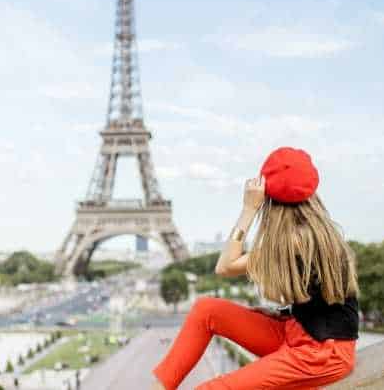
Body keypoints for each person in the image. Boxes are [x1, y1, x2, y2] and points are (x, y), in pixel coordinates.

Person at [151, 146, 359, 389]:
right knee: (206, 310)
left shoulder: (293, 242)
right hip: (299, 332)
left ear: (267, 198)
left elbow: (225, 266)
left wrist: (248, 209)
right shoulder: (317, 234)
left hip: (321, 353)